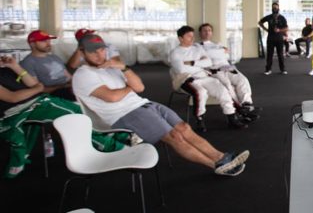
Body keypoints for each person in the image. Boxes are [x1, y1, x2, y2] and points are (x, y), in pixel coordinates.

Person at [72, 34, 250, 177]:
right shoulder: (83, 74)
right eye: (93, 52)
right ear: (82, 52)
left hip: (144, 104)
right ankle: (216, 165)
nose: (99, 55)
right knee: (175, 137)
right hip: (123, 114)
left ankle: (221, 157)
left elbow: (140, 87)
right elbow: (112, 97)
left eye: (101, 50)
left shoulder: (111, 67)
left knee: (184, 128)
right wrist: (129, 87)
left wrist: (124, 68)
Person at [0, 55, 128, 179]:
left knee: (84, 111)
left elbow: (33, 83)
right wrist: (37, 89)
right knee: (74, 118)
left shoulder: (6, 70)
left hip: (41, 99)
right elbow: (13, 97)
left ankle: (121, 135)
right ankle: (114, 147)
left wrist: (15, 66)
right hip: (22, 109)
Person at [169, 26, 248, 131]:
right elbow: (181, 70)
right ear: (180, 38)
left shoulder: (198, 48)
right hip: (187, 79)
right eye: (188, 36)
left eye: (192, 36)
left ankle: (231, 117)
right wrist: (200, 64)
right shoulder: (175, 52)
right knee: (201, 92)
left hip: (204, 76)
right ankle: (199, 119)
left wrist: (192, 63)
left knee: (223, 90)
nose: (192, 39)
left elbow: (209, 62)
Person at [197, 23, 260, 120]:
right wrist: (221, 52)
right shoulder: (197, 46)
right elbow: (209, 55)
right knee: (228, 86)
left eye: (209, 30)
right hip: (215, 69)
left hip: (227, 67)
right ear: (200, 33)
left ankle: (247, 104)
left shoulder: (217, 44)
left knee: (242, 80)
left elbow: (227, 56)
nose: (207, 32)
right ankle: (240, 110)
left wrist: (219, 53)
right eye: (204, 30)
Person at [20, 30, 74, 101]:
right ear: (32, 44)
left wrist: (76, 83)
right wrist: (62, 86)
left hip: (68, 88)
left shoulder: (54, 57)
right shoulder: (27, 63)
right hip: (53, 94)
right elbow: (36, 89)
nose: (48, 44)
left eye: (49, 41)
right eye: (43, 41)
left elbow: (69, 77)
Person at [258, 1, 289, 75]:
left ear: (278, 8)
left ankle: (283, 69)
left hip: (279, 38)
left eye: (276, 7)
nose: (275, 8)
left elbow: (287, 28)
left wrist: (279, 30)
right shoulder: (269, 17)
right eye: (273, 7)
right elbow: (260, 22)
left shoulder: (282, 18)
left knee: (280, 54)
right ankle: (268, 69)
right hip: (270, 38)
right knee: (269, 55)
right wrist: (265, 29)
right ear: (272, 8)